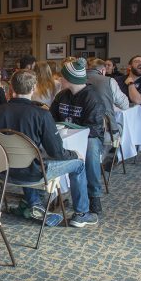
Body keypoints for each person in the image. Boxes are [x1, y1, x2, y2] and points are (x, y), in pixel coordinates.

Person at [0, 71, 96, 227]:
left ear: (11, 88)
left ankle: (34, 203)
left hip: (3, 171)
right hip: (33, 174)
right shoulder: (41, 114)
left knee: (28, 157)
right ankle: (81, 214)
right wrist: (74, 154)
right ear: (33, 89)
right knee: (78, 163)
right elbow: (56, 152)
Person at [50, 58, 106, 216]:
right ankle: (50, 194)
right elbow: (51, 118)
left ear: (70, 79)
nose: (59, 79)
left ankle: (94, 194)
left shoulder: (92, 98)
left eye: (62, 76)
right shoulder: (62, 96)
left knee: (92, 148)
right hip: (65, 136)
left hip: (88, 138)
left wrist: (71, 128)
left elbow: (94, 128)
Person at [116, 56, 141, 133]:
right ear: (129, 66)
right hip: (119, 117)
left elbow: (137, 100)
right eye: (137, 61)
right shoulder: (118, 80)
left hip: (139, 120)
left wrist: (130, 83)